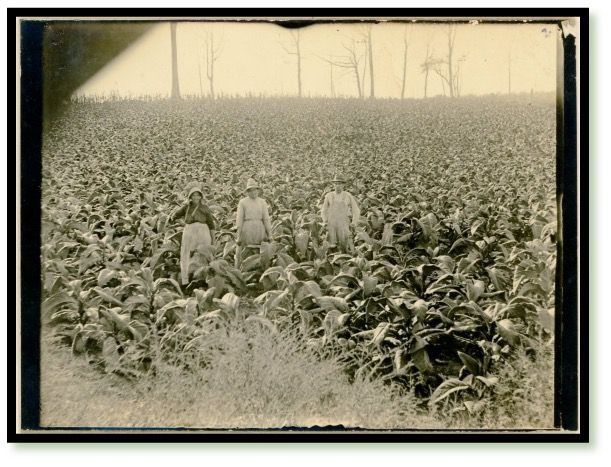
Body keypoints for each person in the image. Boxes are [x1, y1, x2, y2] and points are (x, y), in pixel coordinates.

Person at [170, 186, 216, 286]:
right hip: (189, 231)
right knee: (187, 253)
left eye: (198, 195)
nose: (196, 197)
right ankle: (186, 279)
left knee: (203, 254)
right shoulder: (186, 207)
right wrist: (183, 223)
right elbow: (174, 216)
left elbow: (211, 225)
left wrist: (213, 240)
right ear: (190, 196)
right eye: (194, 195)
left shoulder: (205, 208)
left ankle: (204, 278)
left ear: (201, 197)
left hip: (203, 232)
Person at [235, 178, 272, 266]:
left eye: (255, 190)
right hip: (247, 228)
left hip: (259, 228)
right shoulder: (243, 202)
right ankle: (243, 269)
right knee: (245, 251)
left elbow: (266, 219)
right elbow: (239, 219)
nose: (253, 192)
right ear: (247, 192)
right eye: (251, 190)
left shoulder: (262, 202)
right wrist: (239, 235)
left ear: (258, 190)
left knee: (260, 251)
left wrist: (270, 234)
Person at [321, 174, 360, 253]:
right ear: (333, 184)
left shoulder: (348, 196)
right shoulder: (329, 196)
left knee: (345, 246)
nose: (337, 186)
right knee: (331, 246)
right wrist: (325, 221)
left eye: (339, 184)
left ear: (343, 185)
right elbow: (323, 210)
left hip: (344, 224)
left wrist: (354, 222)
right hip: (332, 224)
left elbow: (356, 210)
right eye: (336, 183)